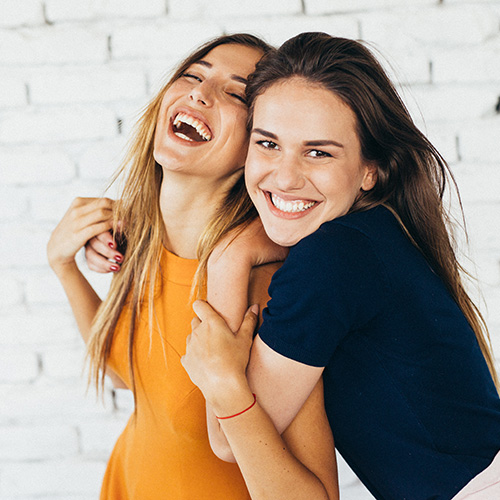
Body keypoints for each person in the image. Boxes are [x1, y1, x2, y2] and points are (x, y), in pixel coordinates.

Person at [181, 32, 500, 500]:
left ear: (371, 169)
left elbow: (227, 441)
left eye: (318, 152)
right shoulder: (372, 237)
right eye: (268, 144)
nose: (285, 176)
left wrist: (230, 257)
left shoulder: (334, 258)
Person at [47, 34, 338, 500]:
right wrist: (65, 267)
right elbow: (128, 376)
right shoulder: (141, 245)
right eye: (193, 75)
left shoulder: (262, 287)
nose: (200, 93)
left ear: (257, 143)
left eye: (235, 92)